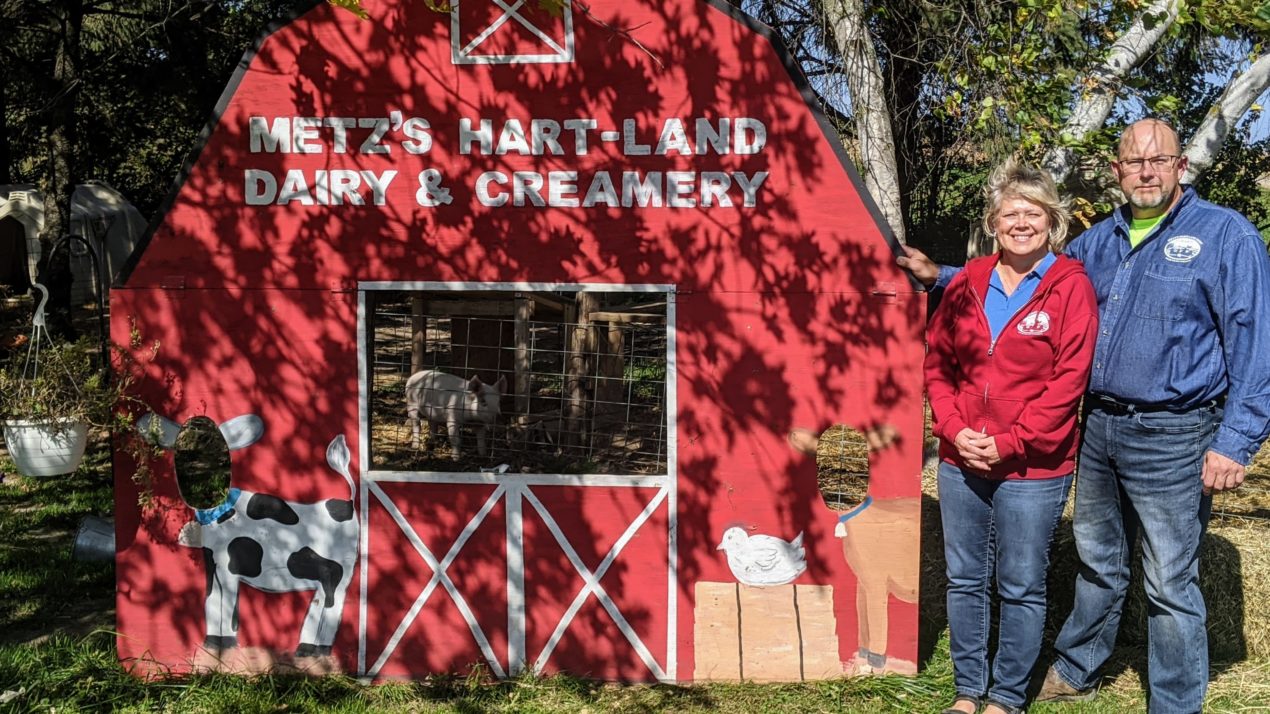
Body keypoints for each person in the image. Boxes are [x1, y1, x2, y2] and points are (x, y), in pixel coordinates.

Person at [901, 119, 1270, 713]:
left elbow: (1256, 340)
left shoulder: (1225, 236)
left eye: (1159, 159)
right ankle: (1079, 667)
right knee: (1099, 560)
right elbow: (1021, 273)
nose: (1146, 171)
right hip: (1098, 426)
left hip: (1175, 429)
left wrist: (1237, 439)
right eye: (1133, 162)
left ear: (1182, 165)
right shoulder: (1097, 242)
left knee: (1170, 579)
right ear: (1117, 170)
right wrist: (941, 278)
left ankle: (1175, 702)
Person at [924, 159, 1097, 714]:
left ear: (1052, 222)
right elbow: (939, 364)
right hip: (961, 458)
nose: (1021, 223)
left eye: (1032, 214)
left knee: (1021, 583)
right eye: (1010, 214)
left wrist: (1012, 440)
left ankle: (1006, 698)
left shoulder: (1071, 288)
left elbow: (1069, 382)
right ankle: (968, 692)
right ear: (993, 224)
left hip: (1034, 466)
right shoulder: (967, 283)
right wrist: (953, 429)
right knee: (965, 580)